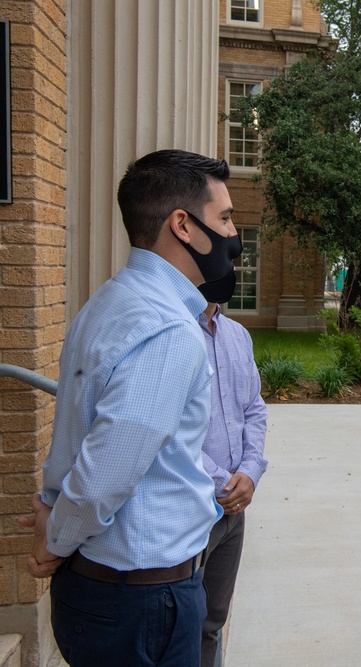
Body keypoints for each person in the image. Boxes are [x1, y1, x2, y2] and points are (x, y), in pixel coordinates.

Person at [18, 149, 243, 666]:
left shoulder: (110, 301)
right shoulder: (166, 327)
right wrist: (56, 540)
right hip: (141, 600)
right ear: (182, 225)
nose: (233, 234)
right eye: (225, 218)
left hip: (111, 593)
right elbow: (105, 476)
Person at [197, 296, 268, 667]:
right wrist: (223, 482)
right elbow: (169, 430)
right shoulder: (173, 333)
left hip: (234, 510)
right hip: (192, 508)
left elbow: (253, 408)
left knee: (212, 623)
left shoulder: (237, 335)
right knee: (183, 626)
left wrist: (251, 471)